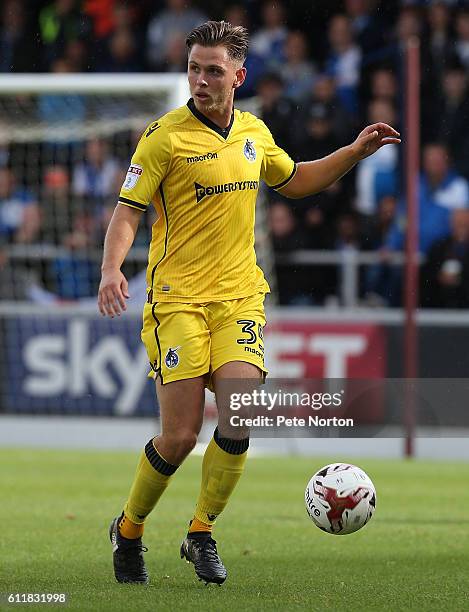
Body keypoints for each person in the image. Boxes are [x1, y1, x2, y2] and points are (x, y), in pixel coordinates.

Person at [98, 20, 400, 586]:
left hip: (239, 297)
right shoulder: (163, 136)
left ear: (239, 75)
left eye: (213, 70)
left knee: (239, 415)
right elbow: (128, 210)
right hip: (178, 301)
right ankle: (130, 528)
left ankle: (201, 532)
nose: (201, 80)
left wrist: (354, 151)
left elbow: (298, 180)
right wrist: (112, 268)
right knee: (181, 436)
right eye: (194, 68)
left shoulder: (255, 133)